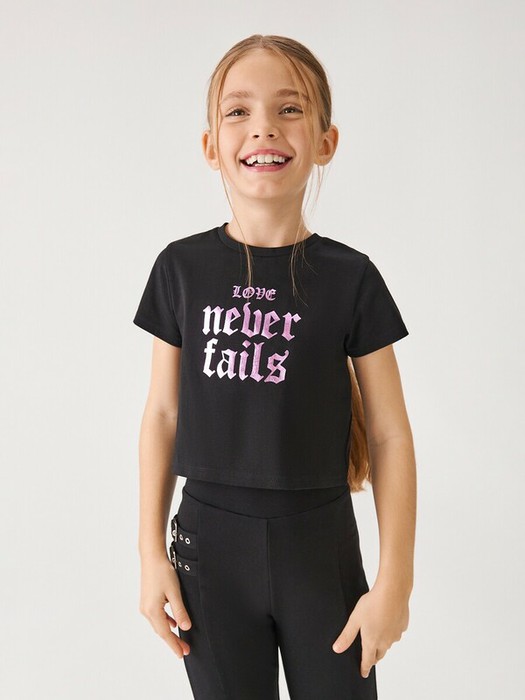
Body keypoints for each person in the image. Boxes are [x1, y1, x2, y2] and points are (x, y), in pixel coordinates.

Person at [133, 34, 416, 700]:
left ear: (325, 141)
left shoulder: (351, 278)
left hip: (319, 548)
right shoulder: (180, 269)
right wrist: (149, 556)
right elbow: (163, 415)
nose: (263, 127)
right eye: (239, 111)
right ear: (211, 146)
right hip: (207, 552)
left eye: (289, 109)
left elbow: (389, 436)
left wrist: (394, 582)